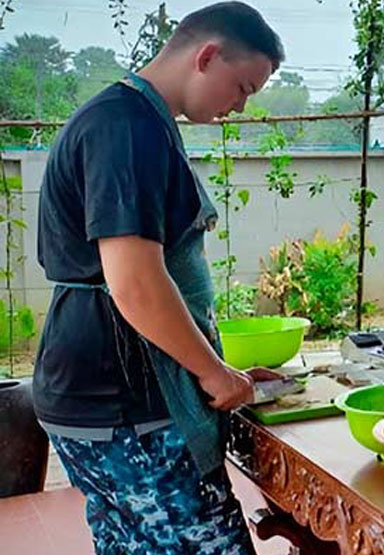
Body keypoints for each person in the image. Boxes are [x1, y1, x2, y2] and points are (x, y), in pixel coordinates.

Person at [33, 3, 284, 552]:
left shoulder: (134, 121)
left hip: (96, 393)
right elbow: (137, 284)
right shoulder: (127, 128)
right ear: (207, 55)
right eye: (242, 86)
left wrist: (220, 367)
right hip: (122, 400)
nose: (239, 105)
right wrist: (214, 376)